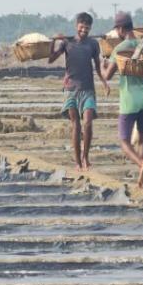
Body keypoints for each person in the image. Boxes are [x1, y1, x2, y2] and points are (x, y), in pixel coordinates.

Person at [101, 12, 143, 189]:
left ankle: (141, 165)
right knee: (142, 139)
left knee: (124, 141)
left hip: (129, 99)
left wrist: (101, 64)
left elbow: (107, 75)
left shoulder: (120, 49)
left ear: (119, 29)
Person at [48, 12, 109, 171]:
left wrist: (104, 82)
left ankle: (85, 157)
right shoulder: (67, 42)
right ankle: (77, 161)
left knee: (88, 123)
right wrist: (53, 41)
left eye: (87, 28)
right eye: (81, 27)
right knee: (76, 125)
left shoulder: (93, 44)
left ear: (90, 28)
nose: (84, 31)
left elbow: (97, 66)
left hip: (88, 89)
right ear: (76, 26)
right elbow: (51, 59)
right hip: (70, 89)